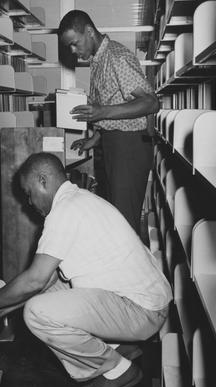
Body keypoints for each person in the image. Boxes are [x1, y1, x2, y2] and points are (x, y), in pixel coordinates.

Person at [0, 152, 172, 387]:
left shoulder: (63, 212)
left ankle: (119, 371)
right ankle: (121, 348)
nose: (29, 202)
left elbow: (35, 280)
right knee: (51, 292)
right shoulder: (80, 199)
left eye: (29, 193)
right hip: (148, 302)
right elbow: (46, 283)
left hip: (142, 311)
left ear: (43, 180)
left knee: (37, 313)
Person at [58, 10, 159, 235]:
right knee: (118, 220)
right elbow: (115, 107)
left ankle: (132, 269)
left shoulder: (116, 57)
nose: (73, 52)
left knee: (125, 227)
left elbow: (151, 103)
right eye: (70, 48)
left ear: (90, 31)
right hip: (116, 144)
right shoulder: (99, 61)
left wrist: (101, 112)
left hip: (129, 147)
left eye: (75, 44)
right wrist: (93, 140)